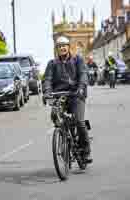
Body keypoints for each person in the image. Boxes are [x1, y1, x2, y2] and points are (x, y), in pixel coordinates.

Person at [42, 36, 92, 164]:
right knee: (56, 116)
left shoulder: (77, 60)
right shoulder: (52, 64)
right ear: (56, 49)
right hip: (60, 95)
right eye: (59, 46)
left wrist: (81, 87)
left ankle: (85, 151)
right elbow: (47, 79)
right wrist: (47, 92)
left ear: (69, 47)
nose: (62, 48)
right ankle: (63, 134)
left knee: (79, 122)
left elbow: (83, 74)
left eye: (64, 45)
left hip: (76, 95)